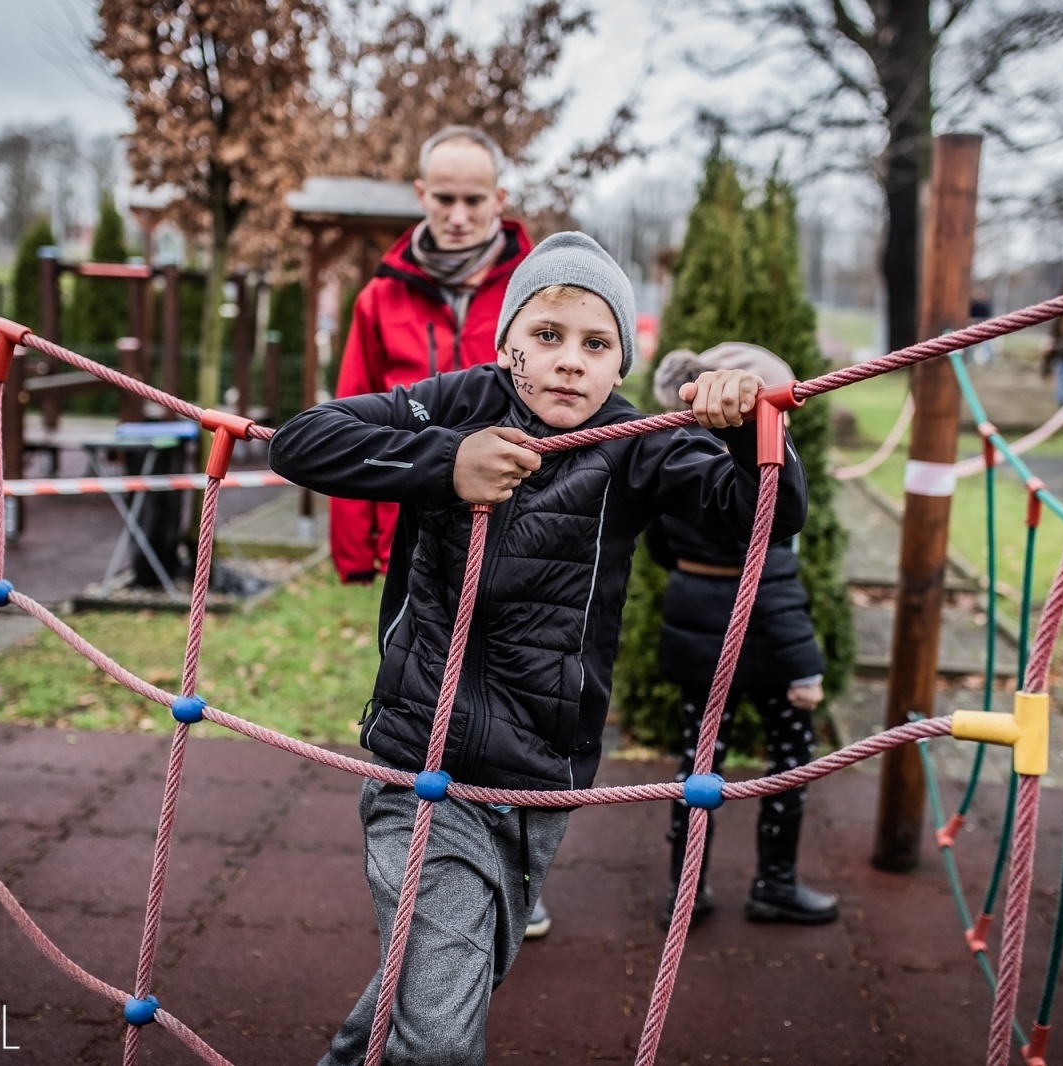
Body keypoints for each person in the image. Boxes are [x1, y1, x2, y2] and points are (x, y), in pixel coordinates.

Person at [268, 232, 809, 1066]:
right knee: (440, 1035)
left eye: (596, 345)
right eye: (547, 337)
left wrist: (748, 428)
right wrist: (447, 462)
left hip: (540, 776)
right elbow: (301, 440)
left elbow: (761, 515)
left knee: (437, 986)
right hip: (421, 755)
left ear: (621, 364)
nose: (568, 363)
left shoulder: (636, 443)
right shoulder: (460, 400)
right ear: (507, 343)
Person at [648, 344, 838, 929]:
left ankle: (688, 891)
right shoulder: (773, 470)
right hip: (766, 632)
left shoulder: (677, 460)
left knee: (698, 762)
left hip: (695, 620)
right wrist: (806, 666)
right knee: (788, 758)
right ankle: (775, 882)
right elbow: (776, 582)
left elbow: (659, 548)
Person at [330, 126, 533, 587]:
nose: (458, 216)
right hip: (409, 529)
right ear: (421, 194)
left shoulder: (539, 290)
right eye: (444, 199)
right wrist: (356, 552)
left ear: (499, 198)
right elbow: (351, 411)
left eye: (474, 200)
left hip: (516, 528)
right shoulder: (380, 298)